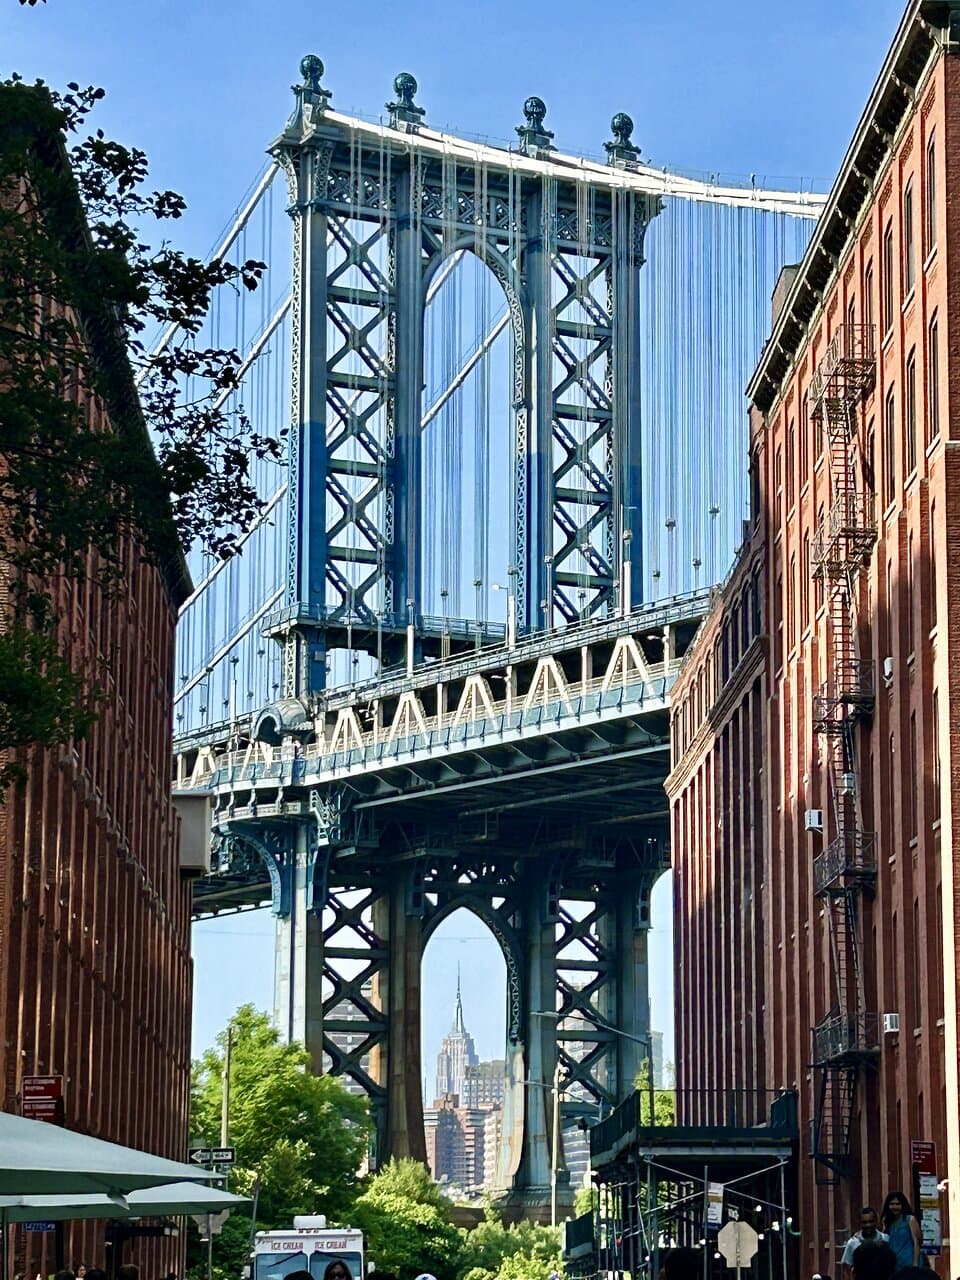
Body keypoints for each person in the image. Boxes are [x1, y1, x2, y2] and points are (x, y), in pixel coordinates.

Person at [880, 1191, 922, 1271]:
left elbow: (916, 1242)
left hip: (909, 1262)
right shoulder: (886, 1221)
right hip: (894, 1264)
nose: (895, 1207)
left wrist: (915, 1264)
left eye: (898, 1204)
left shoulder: (910, 1219)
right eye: (892, 1204)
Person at [842, 1207, 890, 1276]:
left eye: (871, 1221)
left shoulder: (886, 1239)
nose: (868, 1225)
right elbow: (846, 1269)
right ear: (860, 1223)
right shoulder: (853, 1243)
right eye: (864, 1222)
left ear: (876, 1221)